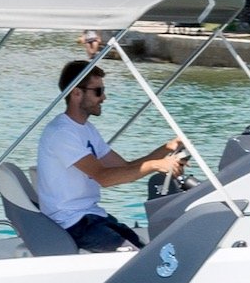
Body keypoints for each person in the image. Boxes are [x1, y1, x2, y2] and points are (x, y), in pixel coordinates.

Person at [35, 60, 186, 252]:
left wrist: (168, 147)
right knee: (136, 258)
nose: (104, 97)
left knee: (147, 251)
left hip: (92, 217)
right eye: (98, 91)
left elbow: (124, 167)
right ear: (76, 93)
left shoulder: (87, 129)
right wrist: (157, 165)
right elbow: (104, 178)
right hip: (72, 223)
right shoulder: (62, 133)